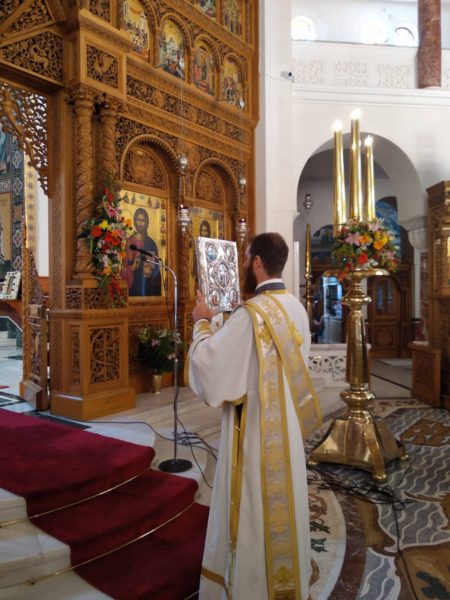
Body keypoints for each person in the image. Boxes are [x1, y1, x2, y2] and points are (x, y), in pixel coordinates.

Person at [186, 232, 322, 600]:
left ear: (258, 262)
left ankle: (251, 588)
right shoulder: (295, 308)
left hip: (255, 435)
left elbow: (213, 368)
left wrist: (202, 323)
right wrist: (226, 322)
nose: (244, 264)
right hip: (286, 433)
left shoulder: (251, 315)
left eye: (247, 258)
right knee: (285, 508)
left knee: (253, 510)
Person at [122, 208, 161, 296]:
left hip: (148, 287)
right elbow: (124, 268)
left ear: (147, 222)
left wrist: (151, 270)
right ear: (135, 221)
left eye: (143, 220)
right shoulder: (130, 242)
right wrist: (132, 268)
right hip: (133, 288)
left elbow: (156, 269)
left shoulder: (151, 243)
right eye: (138, 220)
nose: (140, 223)